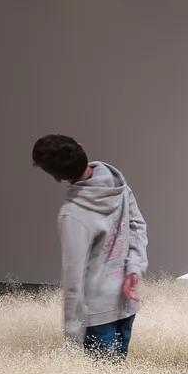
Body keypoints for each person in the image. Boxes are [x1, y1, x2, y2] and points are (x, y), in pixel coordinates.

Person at [30, 134, 148, 360]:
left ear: (56, 177)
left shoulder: (72, 214)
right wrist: (135, 268)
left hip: (97, 314)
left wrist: (72, 339)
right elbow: (137, 227)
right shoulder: (118, 186)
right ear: (82, 147)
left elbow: (73, 279)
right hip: (127, 301)